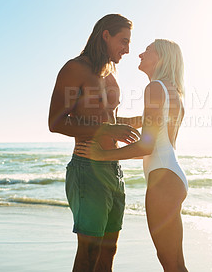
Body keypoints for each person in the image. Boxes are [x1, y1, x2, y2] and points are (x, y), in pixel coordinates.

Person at [75, 39, 189, 272]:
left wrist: (101, 154)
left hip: (163, 181)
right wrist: (111, 124)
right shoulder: (172, 91)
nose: (140, 54)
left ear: (161, 58)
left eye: (148, 50)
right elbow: (155, 144)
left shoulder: (155, 88)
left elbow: (146, 146)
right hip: (172, 175)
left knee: (171, 264)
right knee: (175, 264)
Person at [48, 14, 141, 272]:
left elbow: (108, 119)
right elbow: (55, 122)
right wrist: (108, 129)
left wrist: (141, 120)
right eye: (123, 41)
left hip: (114, 169)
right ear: (105, 35)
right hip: (87, 169)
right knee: (88, 254)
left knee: (108, 253)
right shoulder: (75, 68)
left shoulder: (110, 73)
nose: (128, 49)